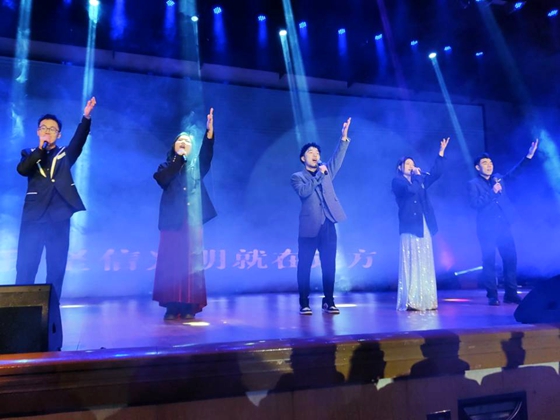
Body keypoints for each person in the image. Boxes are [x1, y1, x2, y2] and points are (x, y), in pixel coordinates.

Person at [15, 97, 97, 301]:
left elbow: (78, 141)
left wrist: (86, 117)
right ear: (38, 131)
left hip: (59, 218)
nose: (48, 131)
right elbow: (22, 170)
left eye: (52, 129)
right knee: (26, 266)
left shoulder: (64, 154)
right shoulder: (29, 153)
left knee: (56, 268)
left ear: (59, 134)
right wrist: (40, 149)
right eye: (44, 128)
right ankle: (20, 310)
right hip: (33, 217)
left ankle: (50, 310)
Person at [153, 108, 217, 321]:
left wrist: (209, 133)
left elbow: (206, 156)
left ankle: (189, 304)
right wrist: (178, 160)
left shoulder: (197, 168)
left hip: (192, 222)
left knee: (192, 264)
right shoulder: (166, 166)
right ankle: (171, 306)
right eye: (179, 140)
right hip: (171, 222)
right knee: (171, 264)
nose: (183, 142)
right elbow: (163, 179)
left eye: (187, 141)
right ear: (174, 146)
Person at [291, 118, 352, 315]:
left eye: (317, 152)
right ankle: (304, 302)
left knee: (329, 265)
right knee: (304, 266)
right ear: (303, 158)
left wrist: (343, 139)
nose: (315, 154)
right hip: (308, 227)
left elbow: (337, 159)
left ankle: (329, 300)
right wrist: (319, 175)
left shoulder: (326, 172)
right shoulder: (297, 177)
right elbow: (304, 192)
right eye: (310, 152)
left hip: (328, 224)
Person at [468, 140, 538, 306]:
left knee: (510, 259)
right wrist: (492, 192)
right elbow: (475, 204)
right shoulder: (473, 184)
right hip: (486, 228)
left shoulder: (498, 178)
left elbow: (515, 173)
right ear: (477, 167)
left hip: (503, 226)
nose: (489, 165)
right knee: (489, 262)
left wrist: (528, 156)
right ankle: (492, 295)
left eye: (490, 162)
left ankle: (511, 294)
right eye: (485, 163)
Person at [392, 137, 450, 311]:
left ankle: (426, 299)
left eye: (413, 163)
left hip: (424, 223)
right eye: (408, 164)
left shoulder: (420, 180)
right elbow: (411, 190)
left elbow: (436, 173)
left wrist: (441, 154)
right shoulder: (398, 182)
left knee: (424, 260)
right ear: (400, 168)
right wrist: (417, 177)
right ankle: (411, 299)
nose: (412, 166)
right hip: (410, 225)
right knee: (412, 260)